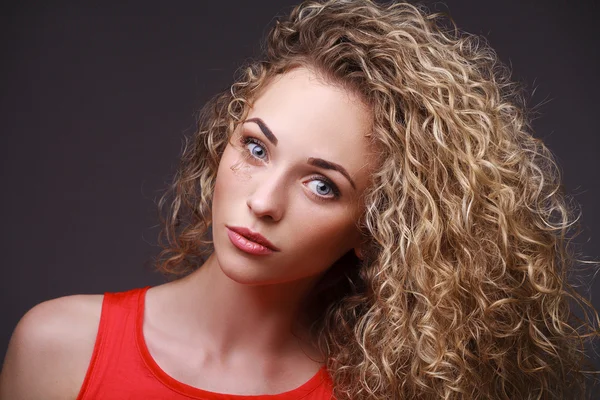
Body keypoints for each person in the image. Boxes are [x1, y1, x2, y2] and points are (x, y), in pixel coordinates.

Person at [1, 0, 599, 399]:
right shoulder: (60, 348)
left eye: (322, 185)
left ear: (375, 228)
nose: (263, 202)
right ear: (223, 142)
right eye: (257, 149)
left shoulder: (369, 391)